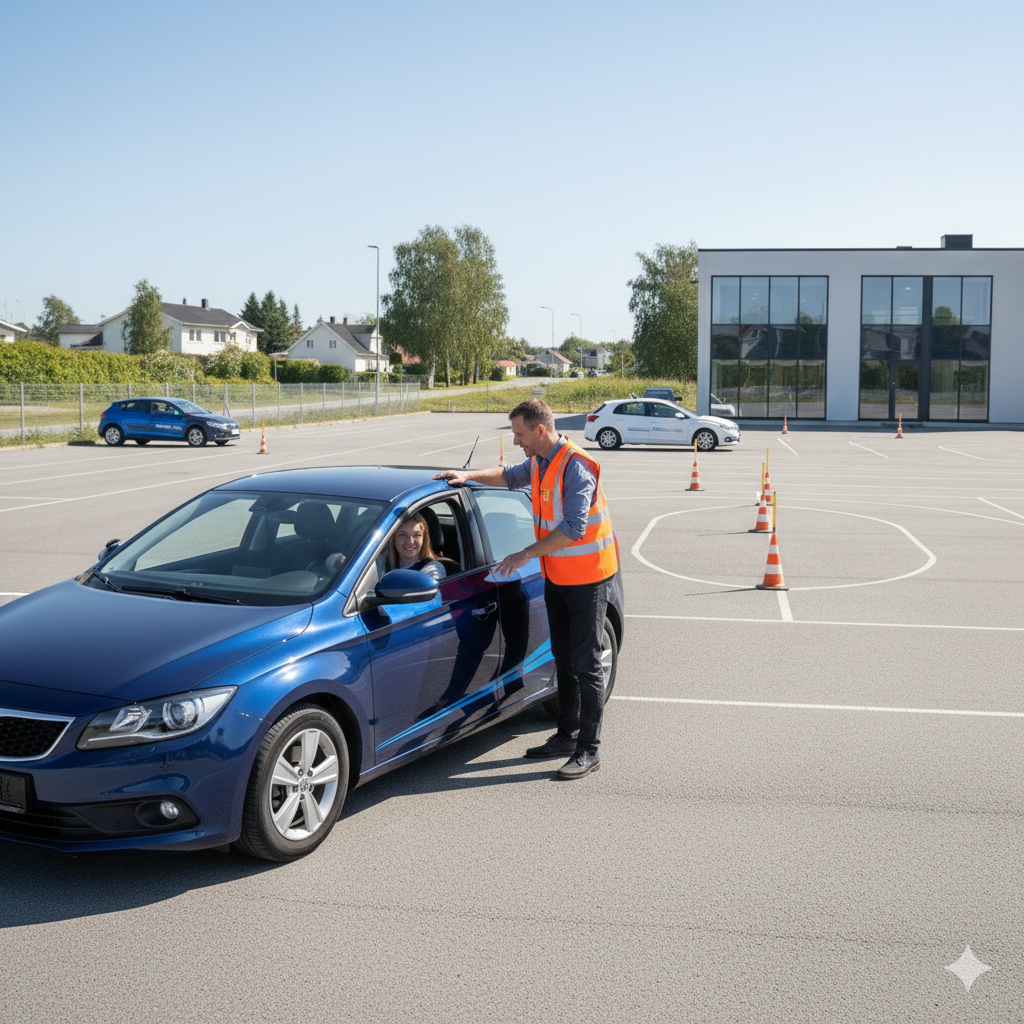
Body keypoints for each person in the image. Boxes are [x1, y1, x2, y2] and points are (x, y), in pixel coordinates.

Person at [434, 398, 618, 780]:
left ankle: (590, 749)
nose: (516, 440)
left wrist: (524, 554)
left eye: (519, 434)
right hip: (558, 577)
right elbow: (508, 476)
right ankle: (566, 735)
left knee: (586, 664)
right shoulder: (540, 462)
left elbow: (574, 528)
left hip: (588, 579)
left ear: (539, 430)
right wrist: (468, 476)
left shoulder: (576, 465)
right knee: (564, 660)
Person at [386, 512, 447, 580]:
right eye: (403, 535)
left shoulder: (432, 568)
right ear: (393, 538)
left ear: (424, 539)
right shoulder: (382, 564)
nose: (410, 542)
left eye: (417, 535)